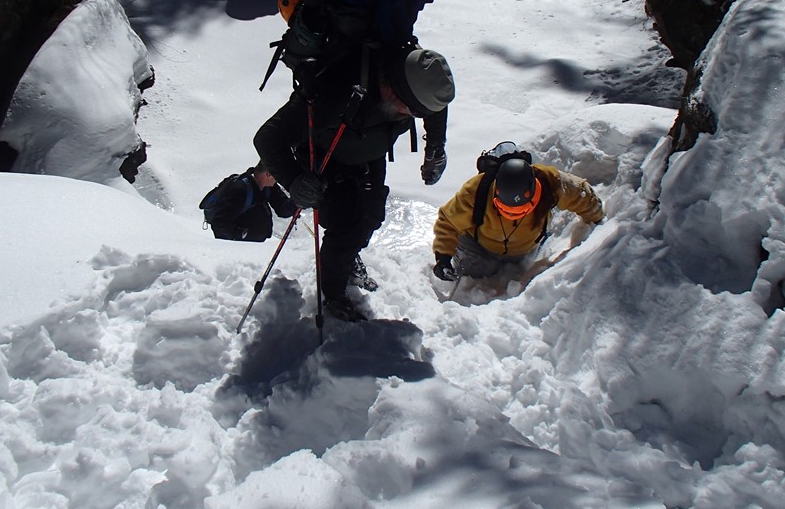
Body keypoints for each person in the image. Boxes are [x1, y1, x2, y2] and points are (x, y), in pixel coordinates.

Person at [255, 46, 455, 321]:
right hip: (325, 155)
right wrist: (294, 181)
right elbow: (267, 137)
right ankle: (333, 295)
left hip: (368, 151)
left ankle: (347, 261)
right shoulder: (336, 89)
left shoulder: (416, 75)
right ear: (392, 88)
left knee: (372, 217)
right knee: (345, 229)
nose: (408, 117)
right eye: (407, 110)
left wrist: (436, 146)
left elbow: (434, 107)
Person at [432, 156, 604, 282]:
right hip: (479, 246)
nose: (514, 214)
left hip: (525, 247)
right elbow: (448, 221)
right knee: (478, 273)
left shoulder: (551, 183)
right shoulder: (476, 191)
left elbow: (581, 194)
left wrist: (597, 220)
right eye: (506, 209)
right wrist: (443, 257)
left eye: (521, 210)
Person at [202, 161, 295, 242]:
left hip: (257, 247)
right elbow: (220, 223)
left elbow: (282, 209)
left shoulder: (268, 187)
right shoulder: (240, 189)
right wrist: (239, 236)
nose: (278, 179)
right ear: (268, 174)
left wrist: (298, 200)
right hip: (241, 252)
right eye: (277, 176)